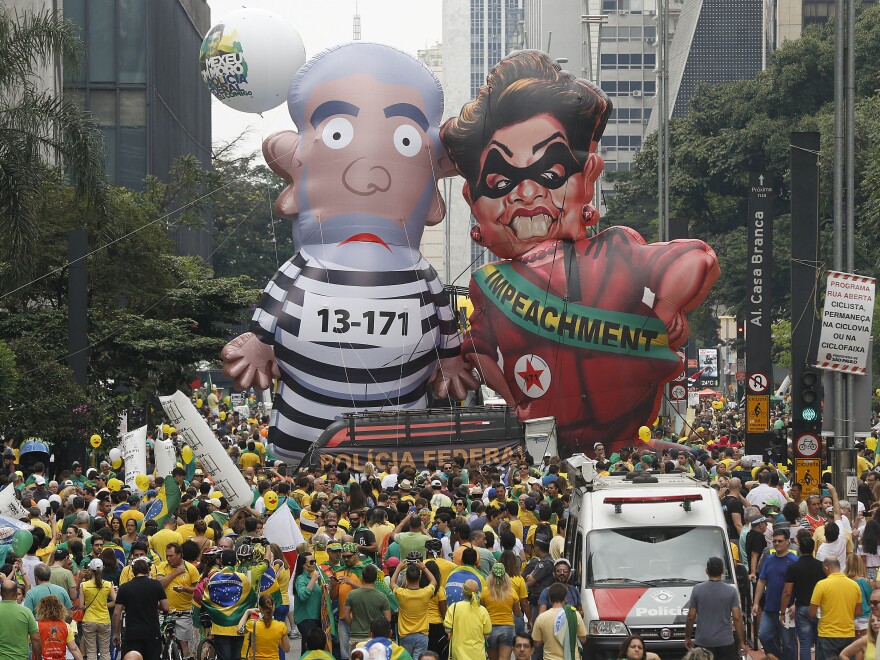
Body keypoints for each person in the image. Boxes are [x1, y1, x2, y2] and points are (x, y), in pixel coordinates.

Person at [684, 557, 746, 660]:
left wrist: (687, 637)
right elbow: (737, 618)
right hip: (725, 642)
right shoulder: (731, 591)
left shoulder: (697, 590)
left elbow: (691, 616)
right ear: (723, 570)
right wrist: (741, 642)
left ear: (706, 571)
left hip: (703, 642)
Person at [112, 556, 169, 660]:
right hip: (152, 632)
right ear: (148, 570)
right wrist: (153, 603)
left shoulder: (124, 588)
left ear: (133, 571)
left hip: (132, 633)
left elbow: (117, 613)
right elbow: (165, 607)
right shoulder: (156, 585)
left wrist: (116, 633)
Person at [781, 535, 826, 660]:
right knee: (819, 642)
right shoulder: (821, 567)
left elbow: (787, 592)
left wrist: (783, 610)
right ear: (813, 549)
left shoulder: (793, 567)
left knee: (805, 643)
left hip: (802, 608)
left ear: (799, 548)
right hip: (818, 608)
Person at [808, 556, 862, 659]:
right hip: (848, 634)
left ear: (826, 567)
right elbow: (858, 612)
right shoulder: (854, 585)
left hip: (827, 634)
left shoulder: (821, 584)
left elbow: (811, 613)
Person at [155, 541, 199, 657]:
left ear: (179, 555)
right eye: (167, 556)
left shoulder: (191, 569)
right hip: (165, 613)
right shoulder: (162, 566)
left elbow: (197, 590)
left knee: (183, 643)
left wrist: (184, 589)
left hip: (183, 613)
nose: (168, 558)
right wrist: (175, 573)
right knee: (160, 643)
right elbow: (159, 583)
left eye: (171, 556)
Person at [392, 557, 437, 659]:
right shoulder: (425, 593)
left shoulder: (401, 593)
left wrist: (398, 568)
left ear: (406, 578)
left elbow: (392, 583)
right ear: (419, 577)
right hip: (422, 634)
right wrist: (424, 568)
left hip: (405, 635)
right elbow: (434, 581)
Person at [342, 563, 391, 653]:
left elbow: (345, 615)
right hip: (375, 638)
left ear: (362, 577)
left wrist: (353, 624)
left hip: (356, 637)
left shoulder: (352, 594)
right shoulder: (382, 596)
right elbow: (388, 619)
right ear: (376, 578)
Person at [532, 582, 587, 660]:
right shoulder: (574, 614)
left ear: (550, 599)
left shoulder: (541, 618)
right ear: (565, 598)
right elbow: (583, 639)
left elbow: (537, 642)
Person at [482, 562, 522, 660]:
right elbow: (517, 614)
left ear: (491, 576)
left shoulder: (484, 592)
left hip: (490, 628)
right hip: (508, 628)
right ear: (506, 577)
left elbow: (483, 612)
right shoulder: (512, 592)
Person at [79, 557, 117, 660]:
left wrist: (89, 606)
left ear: (90, 570)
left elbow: (81, 606)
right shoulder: (108, 585)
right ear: (102, 569)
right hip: (104, 620)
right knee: (105, 651)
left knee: (91, 652)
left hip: (89, 620)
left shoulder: (84, 585)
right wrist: (105, 605)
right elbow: (115, 601)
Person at [443, 578, 491, 659]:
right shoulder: (483, 610)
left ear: (462, 591)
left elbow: (448, 629)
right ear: (477, 593)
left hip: (458, 656)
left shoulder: (454, 607)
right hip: (478, 655)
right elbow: (487, 635)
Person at [236, 593, 291, 660]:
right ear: (273, 607)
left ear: (260, 609)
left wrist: (247, 612)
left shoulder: (252, 624)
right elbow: (286, 649)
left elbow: (239, 631)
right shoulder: (281, 626)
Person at [0, 579, 41, 660]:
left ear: (1, 593)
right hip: (21, 657)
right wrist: (38, 657)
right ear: (16, 594)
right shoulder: (26, 612)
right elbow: (35, 638)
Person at [36, 595, 83, 660]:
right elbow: (74, 648)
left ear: (41, 609)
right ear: (60, 609)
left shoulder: (37, 626)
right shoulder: (66, 626)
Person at [293, 550, 323, 639]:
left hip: (314, 618)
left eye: (314, 561)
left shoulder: (308, 578)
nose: (314, 564)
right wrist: (313, 579)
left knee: (309, 647)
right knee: (310, 647)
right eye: (311, 562)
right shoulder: (301, 579)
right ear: (303, 565)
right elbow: (303, 596)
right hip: (306, 619)